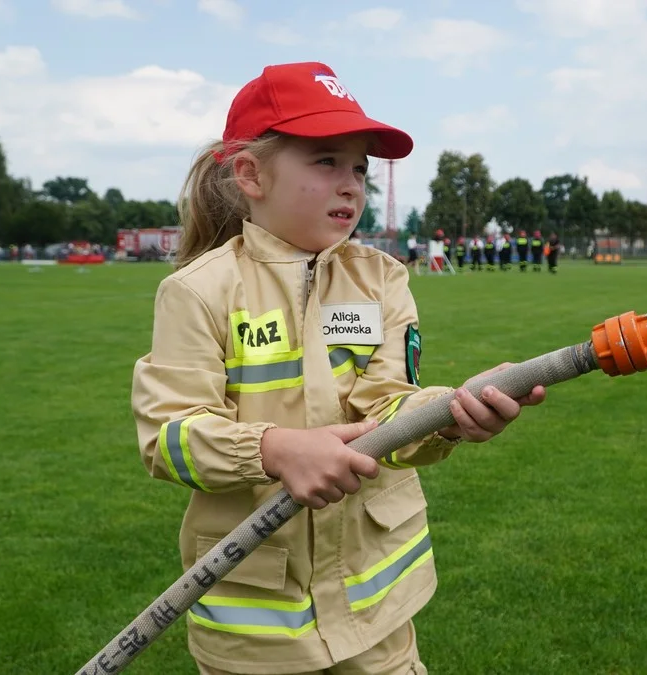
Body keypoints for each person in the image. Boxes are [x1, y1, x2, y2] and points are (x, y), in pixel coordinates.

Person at [130, 61, 547, 675]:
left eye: (359, 167)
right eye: (326, 162)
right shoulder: (197, 291)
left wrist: (452, 411)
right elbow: (170, 440)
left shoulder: (382, 279)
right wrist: (273, 451)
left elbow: (387, 405)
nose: (351, 185)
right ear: (250, 174)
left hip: (377, 614)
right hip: (259, 631)